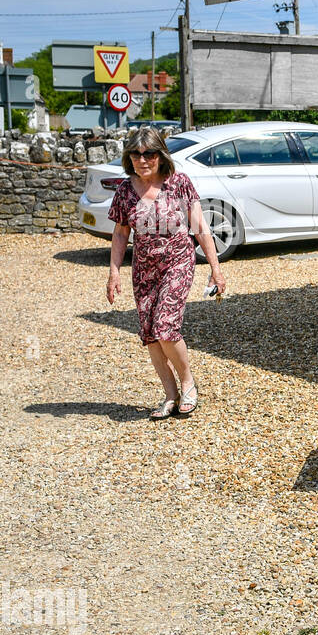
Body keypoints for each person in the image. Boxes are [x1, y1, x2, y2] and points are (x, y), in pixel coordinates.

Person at [105, 126, 227, 419]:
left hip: (177, 262)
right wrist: (113, 272)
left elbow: (199, 227)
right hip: (144, 269)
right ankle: (170, 395)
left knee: (165, 326)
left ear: (160, 155)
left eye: (148, 153)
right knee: (150, 334)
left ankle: (188, 383)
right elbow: (121, 234)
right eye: (135, 154)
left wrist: (215, 270)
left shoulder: (179, 183)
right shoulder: (124, 191)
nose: (142, 159)